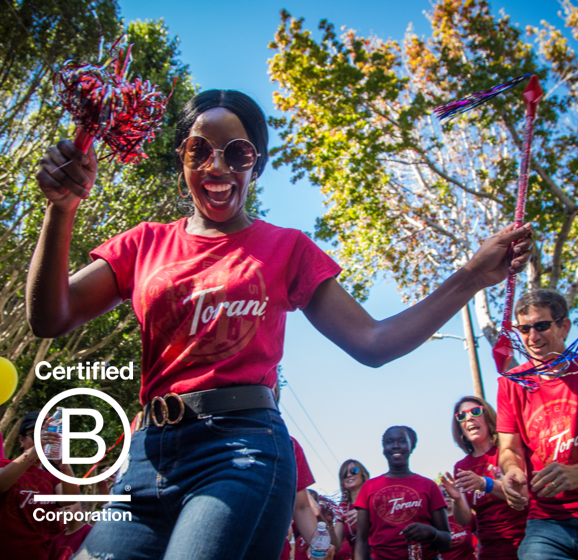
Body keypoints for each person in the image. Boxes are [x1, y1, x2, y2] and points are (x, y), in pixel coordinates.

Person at [29, 89, 532, 560]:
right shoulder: (144, 243)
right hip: (147, 456)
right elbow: (51, 316)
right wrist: (61, 209)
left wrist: (470, 277)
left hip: (240, 451)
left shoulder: (287, 248)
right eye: (199, 151)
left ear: (258, 164)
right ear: (181, 158)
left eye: (238, 153)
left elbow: (373, 342)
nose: (217, 166)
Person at [497, 289, 578, 560]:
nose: (532, 337)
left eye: (541, 326)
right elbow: (509, 448)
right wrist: (512, 471)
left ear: (564, 326)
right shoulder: (511, 383)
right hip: (547, 522)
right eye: (524, 329)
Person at [441, 396, 527, 559]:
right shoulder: (461, 467)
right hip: (490, 551)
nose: (469, 418)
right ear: (460, 429)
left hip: (526, 544)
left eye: (475, 411)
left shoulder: (508, 452)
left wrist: (485, 483)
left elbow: (525, 495)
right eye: (461, 416)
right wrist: (457, 499)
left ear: (488, 418)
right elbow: (464, 520)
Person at [355, 426, 451, 560]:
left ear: (411, 447)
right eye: (389, 442)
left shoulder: (429, 486)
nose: (396, 446)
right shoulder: (369, 487)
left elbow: (446, 541)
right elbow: (361, 541)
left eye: (402, 441)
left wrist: (431, 532)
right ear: (384, 450)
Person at [0, 412, 79, 560]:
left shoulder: (52, 478)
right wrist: (35, 450)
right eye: (36, 435)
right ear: (21, 440)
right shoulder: (4, 465)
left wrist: (65, 466)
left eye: (48, 434)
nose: (43, 440)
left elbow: (70, 499)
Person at [331, 459, 370, 560]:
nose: (348, 475)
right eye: (344, 474)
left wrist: (365, 512)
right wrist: (328, 523)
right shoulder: (343, 508)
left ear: (363, 474)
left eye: (353, 471)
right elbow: (335, 547)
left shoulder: (374, 499)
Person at [439, 484, 476, 560]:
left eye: (450, 492)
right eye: (443, 493)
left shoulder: (467, 516)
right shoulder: (433, 522)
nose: (447, 496)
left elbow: (484, 539)